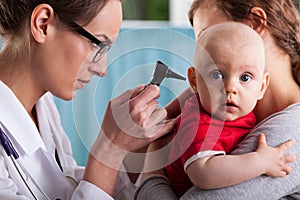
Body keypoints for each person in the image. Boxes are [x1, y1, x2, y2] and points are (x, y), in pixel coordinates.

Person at [0, 0, 175, 199]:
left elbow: (69, 185)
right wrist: (109, 149)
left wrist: (132, 148)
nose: (102, 69)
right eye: (98, 45)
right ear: (43, 24)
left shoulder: (43, 106)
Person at [134, 0, 300, 199]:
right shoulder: (226, 108)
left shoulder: (289, 133)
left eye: (206, 34)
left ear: (255, 24)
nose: (203, 51)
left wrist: (152, 169)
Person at [166, 21, 295, 197]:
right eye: (216, 75)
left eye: (245, 77)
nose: (230, 87)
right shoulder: (199, 121)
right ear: (194, 81)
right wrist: (259, 162)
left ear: (262, 87)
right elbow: (203, 173)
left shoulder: (244, 114)